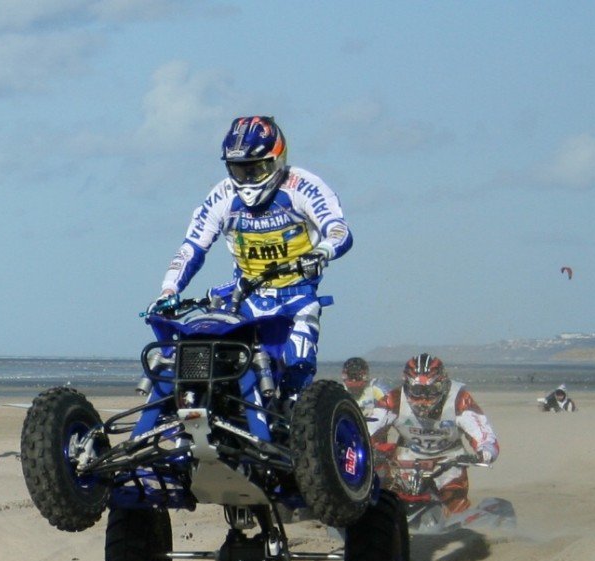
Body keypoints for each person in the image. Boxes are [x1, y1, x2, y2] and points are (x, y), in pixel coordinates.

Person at [152, 115, 352, 392]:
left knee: (298, 365)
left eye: (255, 169)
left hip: (297, 297)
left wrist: (321, 252)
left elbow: (339, 231)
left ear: (276, 159)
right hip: (244, 295)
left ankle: (297, 421)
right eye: (238, 169)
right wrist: (168, 290)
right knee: (198, 350)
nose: (247, 179)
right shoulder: (221, 195)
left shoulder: (303, 186)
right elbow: (192, 247)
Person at [371, 353, 499, 516]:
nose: (423, 398)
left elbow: (483, 432)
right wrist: (370, 450)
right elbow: (369, 428)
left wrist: (485, 452)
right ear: (407, 386)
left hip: (449, 459)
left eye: (431, 390)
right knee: (384, 498)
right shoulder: (393, 399)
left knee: (455, 505)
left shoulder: (459, 399)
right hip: (406, 459)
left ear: (443, 384)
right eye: (417, 391)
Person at [340, 357, 389, 433]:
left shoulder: (374, 388)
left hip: (371, 427)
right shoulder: (340, 391)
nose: (354, 380)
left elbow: (388, 407)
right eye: (351, 376)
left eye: (357, 376)